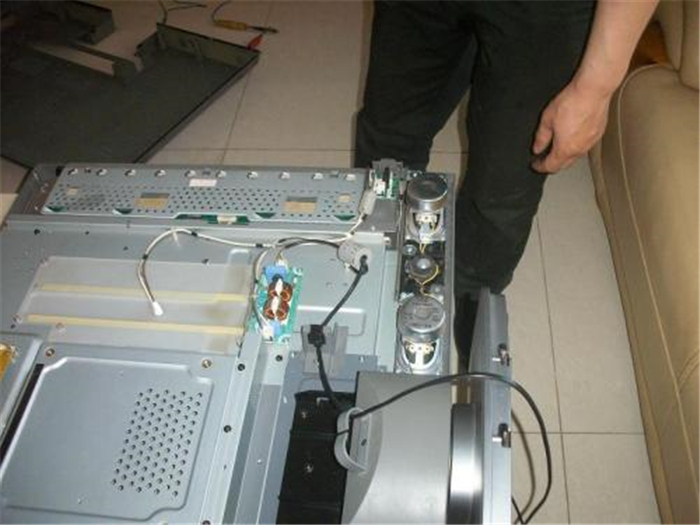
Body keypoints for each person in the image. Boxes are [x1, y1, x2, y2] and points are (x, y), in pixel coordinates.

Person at [354, 0, 659, 361]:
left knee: (500, 194)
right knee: (387, 149)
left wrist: (596, 85)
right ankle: (374, 292)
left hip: (545, 12)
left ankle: (473, 328)